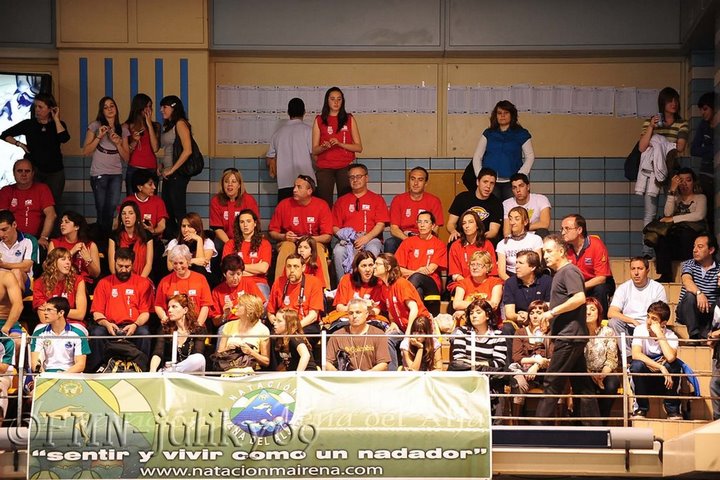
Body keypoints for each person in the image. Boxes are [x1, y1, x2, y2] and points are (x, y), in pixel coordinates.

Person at [536, 234, 600, 426]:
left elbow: (579, 298)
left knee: (552, 382)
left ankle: (539, 429)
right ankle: (593, 428)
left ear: (562, 251)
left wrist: (551, 313)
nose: (545, 256)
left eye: (549, 251)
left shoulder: (569, 271)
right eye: (544, 252)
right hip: (569, 335)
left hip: (570, 337)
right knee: (582, 385)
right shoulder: (560, 273)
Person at [638, 87, 689, 258]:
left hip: (672, 170)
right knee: (650, 213)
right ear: (662, 103)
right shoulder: (650, 122)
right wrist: (652, 128)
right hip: (651, 172)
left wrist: (659, 143)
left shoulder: (682, 123)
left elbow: (680, 147)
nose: (674, 104)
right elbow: (642, 147)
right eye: (669, 101)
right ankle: (647, 251)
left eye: (675, 100)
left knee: (672, 212)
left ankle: (670, 250)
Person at [89, 247, 154, 372]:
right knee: (97, 333)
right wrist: (106, 324)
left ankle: (142, 369)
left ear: (132, 264)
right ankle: (96, 370)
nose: (123, 270)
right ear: (114, 263)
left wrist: (135, 324)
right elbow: (97, 313)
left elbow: (145, 313)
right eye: (120, 266)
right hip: (109, 325)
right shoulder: (104, 283)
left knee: (144, 333)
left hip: (134, 325)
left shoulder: (143, 283)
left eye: (127, 266)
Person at [2, 92, 70, 205]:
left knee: (53, 203)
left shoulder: (58, 124)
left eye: (40, 107)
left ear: (50, 109)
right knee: (34, 202)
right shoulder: (29, 124)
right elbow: (4, 135)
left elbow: (64, 138)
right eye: (35, 107)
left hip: (54, 172)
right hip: (35, 170)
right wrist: (20, 144)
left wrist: (56, 119)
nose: (37, 110)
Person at [268, 175, 332, 285]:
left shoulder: (321, 205)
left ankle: (325, 289)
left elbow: (327, 236)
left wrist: (308, 240)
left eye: (299, 187)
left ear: (309, 191)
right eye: (294, 186)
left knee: (317, 249)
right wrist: (284, 236)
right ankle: (279, 287)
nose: (294, 190)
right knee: (286, 248)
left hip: (313, 241)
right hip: (290, 241)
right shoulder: (284, 204)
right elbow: (272, 232)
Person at [464, 100, 535, 200]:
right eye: (499, 113)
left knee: (512, 209)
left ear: (512, 115)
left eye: (506, 113)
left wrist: (520, 175)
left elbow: (530, 156)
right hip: (491, 182)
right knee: (492, 208)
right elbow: (477, 156)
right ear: (495, 115)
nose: (502, 116)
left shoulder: (521, 133)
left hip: (512, 182)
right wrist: (481, 176)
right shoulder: (489, 133)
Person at [331, 163, 388, 283]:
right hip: (348, 240)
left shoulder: (377, 199)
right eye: (352, 177)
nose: (355, 180)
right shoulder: (341, 201)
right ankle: (343, 286)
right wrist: (348, 237)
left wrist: (366, 238)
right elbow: (335, 226)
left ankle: (371, 286)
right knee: (338, 251)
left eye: (358, 176)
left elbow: (381, 224)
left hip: (370, 238)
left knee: (372, 250)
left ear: (366, 178)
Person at [374, 253, 431, 371]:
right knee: (386, 338)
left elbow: (414, 309)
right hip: (403, 327)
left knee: (404, 343)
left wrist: (408, 333)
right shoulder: (384, 287)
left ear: (388, 267)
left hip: (419, 327)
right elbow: (390, 307)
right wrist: (393, 322)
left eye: (377, 264)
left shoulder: (401, 283)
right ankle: (393, 374)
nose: (374, 266)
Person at [82, 96, 130, 234]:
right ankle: (102, 237)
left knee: (112, 206)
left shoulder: (123, 129)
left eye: (112, 106)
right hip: (99, 172)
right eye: (106, 107)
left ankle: (105, 236)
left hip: (116, 173)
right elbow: (86, 151)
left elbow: (126, 157)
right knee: (101, 206)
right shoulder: (95, 125)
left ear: (116, 108)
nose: (109, 109)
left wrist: (118, 143)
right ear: (101, 111)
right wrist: (99, 136)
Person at [267, 254, 324, 365]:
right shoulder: (279, 282)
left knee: (295, 339)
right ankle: (274, 371)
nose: (292, 270)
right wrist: (277, 324)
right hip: (283, 324)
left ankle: (306, 368)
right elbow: (270, 312)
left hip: (305, 325)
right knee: (271, 338)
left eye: (296, 266)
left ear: (303, 268)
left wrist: (292, 328)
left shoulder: (314, 282)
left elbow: (313, 316)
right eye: (289, 266)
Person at [448, 298, 507, 404]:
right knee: (456, 365)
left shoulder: (498, 335)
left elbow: (499, 363)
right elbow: (459, 359)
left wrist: (475, 365)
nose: (474, 315)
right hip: (466, 376)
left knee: (499, 375)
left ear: (487, 315)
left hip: (489, 379)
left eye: (478, 312)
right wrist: (482, 366)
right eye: (471, 313)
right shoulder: (462, 332)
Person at [630, 301, 683, 420]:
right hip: (645, 378)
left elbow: (670, 357)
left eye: (654, 319)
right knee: (636, 365)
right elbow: (636, 354)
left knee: (673, 365)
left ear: (663, 323)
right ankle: (641, 409)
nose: (649, 321)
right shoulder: (640, 330)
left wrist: (659, 333)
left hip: (664, 381)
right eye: (648, 316)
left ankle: (672, 410)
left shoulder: (671, 336)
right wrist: (660, 367)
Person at [653, 168, 707, 283]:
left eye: (688, 180)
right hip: (677, 242)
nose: (684, 184)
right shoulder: (676, 198)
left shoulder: (700, 197)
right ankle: (666, 275)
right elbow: (667, 214)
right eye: (681, 181)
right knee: (661, 237)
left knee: (687, 234)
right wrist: (672, 190)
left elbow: (699, 215)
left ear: (693, 182)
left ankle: (690, 273)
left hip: (691, 240)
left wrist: (674, 219)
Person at [311, 87, 363, 207]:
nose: (336, 102)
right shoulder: (319, 120)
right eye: (333, 99)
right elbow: (314, 150)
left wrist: (340, 144)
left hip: (344, 166)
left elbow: (359, 147)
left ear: (343, 101)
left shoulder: (349, 119)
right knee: (324, 204)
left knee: (345, 203)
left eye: (339, 99)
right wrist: (323, 147)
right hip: (325, 167)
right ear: (327, 101)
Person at [608, 256, 667, 359]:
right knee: (613, 322)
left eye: (640, 269)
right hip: (629, 328)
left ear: (647, 270)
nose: (636, 273)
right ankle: (628, 357)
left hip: (648, 328)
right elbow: (611, 312)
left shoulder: (657, 288)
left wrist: (646, 325)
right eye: (633, 269)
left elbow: (662, 313)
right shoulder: (623, 288)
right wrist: (632, 321)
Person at [561, 214, 615, 317]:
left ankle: (601, 321)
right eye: (562, 229)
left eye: (567, 229)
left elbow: (601, 278)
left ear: (579, 230)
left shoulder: (596, 244)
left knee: (600, 289)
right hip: (576, 283)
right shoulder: (564, 248)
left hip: (597, 282)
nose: (563, 233)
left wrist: (579, 287)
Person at [395, 211, 447, 316]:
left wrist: (414, 274)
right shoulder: (408, 242)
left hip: (431, 284)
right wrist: (416, 272)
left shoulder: (439, 244)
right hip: (412, 283)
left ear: (433, 226)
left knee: (417, 277)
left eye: (426, 222)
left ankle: (400, 303)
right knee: (418, 290)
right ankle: (417, 320)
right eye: (419, 222)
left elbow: (430, 269)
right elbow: (398, 269)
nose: (422, 225)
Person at [159, 95, 195, 239]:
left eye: (164, 107)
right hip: (168, 173)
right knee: (167, 210)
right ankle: (172, 239)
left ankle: (185, 240)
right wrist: (163, 166)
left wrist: (172, 169)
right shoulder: (168, 125)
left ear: (173, 107)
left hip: (177, 174)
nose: (161, 110)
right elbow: (168, 149)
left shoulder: (180, 123)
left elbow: (188, 150)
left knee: (178, 210)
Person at [508, 300, 551, 421]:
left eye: (539, 312)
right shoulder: (520, 332)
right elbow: (517, 357)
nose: (535, 316)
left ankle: (556, 424)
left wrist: (536, 366)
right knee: (519, 383)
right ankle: (516, 423)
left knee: (558, 381)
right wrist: (535, 360)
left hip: (546, 370)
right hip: (524, 369)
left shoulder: (551, 333)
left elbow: (552, 357)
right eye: (532, 313)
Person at [386, 166, 444, 254]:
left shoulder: (434, 201)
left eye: (420, 180)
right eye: (413, 179)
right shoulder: (398, 199)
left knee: (438, 244)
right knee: (390, 243)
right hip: (404, 237)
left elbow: (435, 228)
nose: (415, 183)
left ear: (426, 183)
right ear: (408, 181)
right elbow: (394, 229)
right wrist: (409, 241)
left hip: (425, 237)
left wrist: (422, 240)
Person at [266, 98, 315, 203]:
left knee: (285, 213)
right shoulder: (309, 131)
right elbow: (315, 156)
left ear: (288, 112)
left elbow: (269, 160)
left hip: (284, 184)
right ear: (304, 112)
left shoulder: (277, 134)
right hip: (306, 185)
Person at [0, 158, 56, 247]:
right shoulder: (5, 191)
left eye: (27, 171)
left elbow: (51, 215)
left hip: (36, 240)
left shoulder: (42, 189)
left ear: (33, 173)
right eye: (19, 171)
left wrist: (44, 237)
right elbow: (2, 218)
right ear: (14, 173)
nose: (23, 174)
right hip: (10, 240)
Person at [155, 244, 213, 329]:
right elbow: (158, 305)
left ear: (188, 261)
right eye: (175, 263)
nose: (178, 267)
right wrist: (165, 318)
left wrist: (198, 325)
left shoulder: (200, 279)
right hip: (173, 326)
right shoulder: (165, 281)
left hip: (196, 324)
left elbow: (205, 305)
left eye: (181, 263)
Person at [325, 298, 390, 371]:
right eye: (351, 313)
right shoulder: (337, 335)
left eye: (358, 312)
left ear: (366, 314)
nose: (354, 316)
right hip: (345, 377)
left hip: (371, 376)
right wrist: (338, 374)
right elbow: (327, 362)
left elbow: (383, 364)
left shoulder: (378, 334)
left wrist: (366, 375)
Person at [675, 234, 720, 339]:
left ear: (711, 250)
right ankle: (694, 335)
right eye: (694, 246)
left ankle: (707, 334)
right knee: (690, 296)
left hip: (708, 313)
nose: (695, 250)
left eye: (700, 247)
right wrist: (699, 293)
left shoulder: (719, 268)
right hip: (687, 311)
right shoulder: (688, 264)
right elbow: (687, 281)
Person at [325, 251, 385, 329]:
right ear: (357, 268)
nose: (368, 269)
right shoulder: (347, 279)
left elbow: (376, 311)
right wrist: (361, 308)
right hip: (347, 319)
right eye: (363, 266)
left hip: (370, 320)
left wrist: (366, 310)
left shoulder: (379, 283)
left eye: (370, 265)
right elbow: (339, 307)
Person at [149, 294, 207, 373]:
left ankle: (171, 371)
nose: (169, 310)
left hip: (192, 374)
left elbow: (198, 354)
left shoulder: (198, 330)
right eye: (169, 307)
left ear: (185, 310)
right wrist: (152, 370)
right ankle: (171, 372)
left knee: (199, 359)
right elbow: (158, 352)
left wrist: (174, 369)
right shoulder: (165, 329)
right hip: (170, 374)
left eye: (174, 307)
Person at [31, 297, 88, 376]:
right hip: (46, 374)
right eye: (45, 310)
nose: (45, 313)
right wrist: (44, 376)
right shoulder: (38, 334)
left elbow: (80, 365)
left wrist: (61, 376)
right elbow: (35, 363)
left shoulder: (78, 334)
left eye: (49, 310)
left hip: (70, 374)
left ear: (61, 313)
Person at [584, 297, 621, 420]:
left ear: (599, 313)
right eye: (585, 309)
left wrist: (601, 376)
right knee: (583, 384)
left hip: (605, 372)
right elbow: (577, 359)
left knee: (612, 384)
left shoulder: (608, 331)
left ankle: (602, 421)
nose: (588, 312)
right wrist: (591, 374)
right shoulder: (578, 333)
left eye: (592, 309)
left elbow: (612, 358)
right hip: (585, 372)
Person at [222, 209, 271, 299]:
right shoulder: (230, 244)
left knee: (262, 304)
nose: (245, 225)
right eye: (242, 222)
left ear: (255, 223)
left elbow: (263, 268)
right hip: (236, 282)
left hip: (258, 282)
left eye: (248, 221)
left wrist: (238, 268)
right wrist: (254, 269)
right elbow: (227, 268)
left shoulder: (264, 244)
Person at [209, 168, 259, 257]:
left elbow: (254, 225)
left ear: (239, 184)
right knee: (216, 247)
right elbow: (217, 228)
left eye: (234, 181)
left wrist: (242, 243)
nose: (230, 184)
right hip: (224, 240)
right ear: (222, 184)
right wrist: (230, 244)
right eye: (226, 181)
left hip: (245, 238)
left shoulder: (249, 200)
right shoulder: (216, 201)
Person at [32, 247, 87, 325]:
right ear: (53, 262)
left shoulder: (78, 280)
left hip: (73, 323)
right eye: (63, 259)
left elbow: (80, 314)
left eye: (69, 259)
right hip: (49, 325)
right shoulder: (39, 283)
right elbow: (44, 318)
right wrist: (65, 312)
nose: (68, 262)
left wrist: (52, 310)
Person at [447, 167, 503, 244]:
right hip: (462, 238)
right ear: (477, 182)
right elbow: (451, 223)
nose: (488, 186)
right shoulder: (462, 198)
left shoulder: (496, 203)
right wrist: (453, 231)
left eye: (492, 183)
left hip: (483, 240)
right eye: (485, 182)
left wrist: (476, 237)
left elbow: (493, 231)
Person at [216, 293, 270, 371]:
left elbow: (266, 362)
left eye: (240, 305)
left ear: (249, 309)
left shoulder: (263, 330)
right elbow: (218, 354)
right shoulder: (229, 326)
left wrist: (251, 352)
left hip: (251, 372)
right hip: (228, 369)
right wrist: (227, 348)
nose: (236, 306)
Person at [447, 209, 498, 289]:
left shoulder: (487, 244)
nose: (467, 226)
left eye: (470, 222)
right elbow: (455, 274)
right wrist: (469, 286)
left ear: (477, 225)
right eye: (464, 223)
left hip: (484, 283)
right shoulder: (456, 245)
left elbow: (492, 272)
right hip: (462, 284)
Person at [502, 250, 552, 331]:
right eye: (516, 262)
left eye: (520, 263)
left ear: (532, 267)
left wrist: (530, 316)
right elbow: (509, 313)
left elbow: (548, 308)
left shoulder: (547, 281)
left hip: (542, 321)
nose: (516, 266)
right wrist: (519, 317)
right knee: (507, 328)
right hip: (520, 323)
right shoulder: (510, 283)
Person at [210, 255, 264, 329]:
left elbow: (260, 306)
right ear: (224, 274)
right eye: (232, 274)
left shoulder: (249, 283)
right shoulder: (216, 291)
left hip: (249, 321)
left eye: (238, 274)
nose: (235, 278)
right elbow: (215, 322)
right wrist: (225, 315)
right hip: (229, 324)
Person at [49, 211, 101, 287]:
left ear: (76, 227)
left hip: (85, 284)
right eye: (62, 222)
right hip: (60, 282)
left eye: (66, 222)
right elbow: (49, 267)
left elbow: (96, 274)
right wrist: (71, 252)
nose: (62, 224)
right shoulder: (54, 243)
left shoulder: (90, 245)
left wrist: (88, 260)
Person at [124, 93, 160, 196]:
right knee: (133, 200)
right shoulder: (127, 126)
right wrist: (135, 141)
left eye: (150, 106)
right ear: (139, 107)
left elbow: (155, 148)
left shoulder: (156, 126)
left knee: (151, 200)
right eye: (146, 107)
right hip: (134, 168)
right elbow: (126, 153)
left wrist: (149, 124)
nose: (148, 109)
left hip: (151, 168)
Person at [165, 212, 216, 282]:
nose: (186, 230)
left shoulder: (208, 242)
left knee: (199, 269)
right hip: (180, 275)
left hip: (202, 276)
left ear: (197, 228)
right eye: (183, 226)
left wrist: (199, 240)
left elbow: (201, 264)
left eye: (189, 226)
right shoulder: (174, 243)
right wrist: (190, 261)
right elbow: (170, 267)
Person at [496, 206, 543, 280]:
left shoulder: (535, 239)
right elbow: (502, 273)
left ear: (525, 222)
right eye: (510, 219)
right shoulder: (502, 244)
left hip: (531, 278)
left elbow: (536, 265)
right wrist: (513, 284)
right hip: (511, 278)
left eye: (517, 219)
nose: (512, 222)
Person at [691, 92, 715, 232]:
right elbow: (694, 149)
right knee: (708, 213)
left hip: (714, 173)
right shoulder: (703, 125)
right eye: (701, 109)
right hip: (706, 174)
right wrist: (712, 151)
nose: (702, 113)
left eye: (705, 109)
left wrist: (707, 149)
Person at [109, 201, 153, 278]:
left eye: (130, 213)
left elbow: (148, 264)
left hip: (142, 278)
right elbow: (112, 264)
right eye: (123, 213)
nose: (126, 216)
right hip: (119, 278)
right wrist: (119, 279)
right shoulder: (114, 236)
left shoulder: (147, 235)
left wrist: (139, 281)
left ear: (137, 216)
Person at [120, 169, 168, 238]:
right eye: (150, 184)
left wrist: (153, 231)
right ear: (140, 187)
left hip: (152, 238)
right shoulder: (128, 201)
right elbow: (118, 223)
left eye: (154, 184)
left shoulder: (158, 201)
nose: (154, 187)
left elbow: (162, 226)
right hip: (131, 238)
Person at [502, 173, 551, 238]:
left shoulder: (541, 199)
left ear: (528, 187)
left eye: (521, 186)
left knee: (543, 232)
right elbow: (507, 231)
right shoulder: (507, 203)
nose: (518, 190)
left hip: (535, 236)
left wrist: (521, 227)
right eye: (514, 187)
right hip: (516, 237)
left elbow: (545, 224)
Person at [0, 209, 34, 292]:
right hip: (2, 281)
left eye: (4, 230)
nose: (1, 234)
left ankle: (17, 299)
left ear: (14, 224)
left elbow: (26, 267)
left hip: (23, 281)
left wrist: (3, 265)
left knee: (16, 272)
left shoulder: (28, 240)